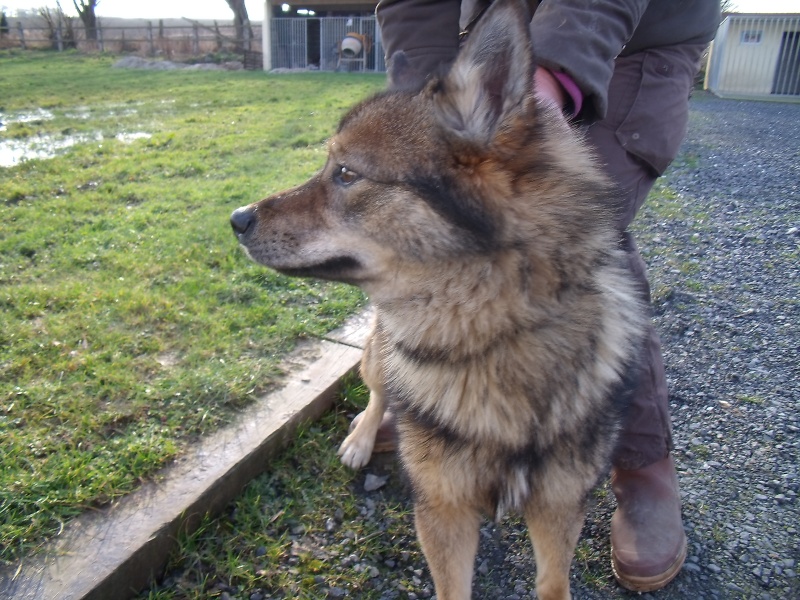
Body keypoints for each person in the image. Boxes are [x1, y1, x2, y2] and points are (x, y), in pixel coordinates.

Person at [348, 0, 721, 592]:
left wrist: (547, 79)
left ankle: (642, 464)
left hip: (630, 37)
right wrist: (418, 114)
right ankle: (436, 421)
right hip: (485, 43)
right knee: (428, 240)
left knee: (572, 248)